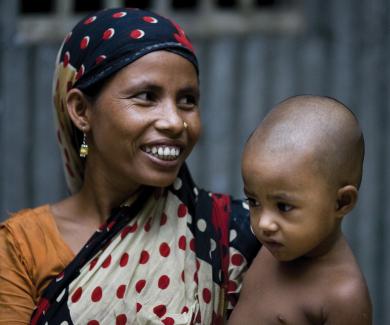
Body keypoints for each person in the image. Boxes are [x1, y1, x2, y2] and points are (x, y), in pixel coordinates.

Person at [0, 8, 260, 325]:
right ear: (81, 111)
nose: (175, 122)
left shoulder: (239, 232)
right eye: (147, 96)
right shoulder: (23, 248)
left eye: (187, 100)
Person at [228, 95, 372, 324]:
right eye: (254, 201)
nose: (263, 223)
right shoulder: (270, 249)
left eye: (283, 206)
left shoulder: (343, 296)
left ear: (342, 203)